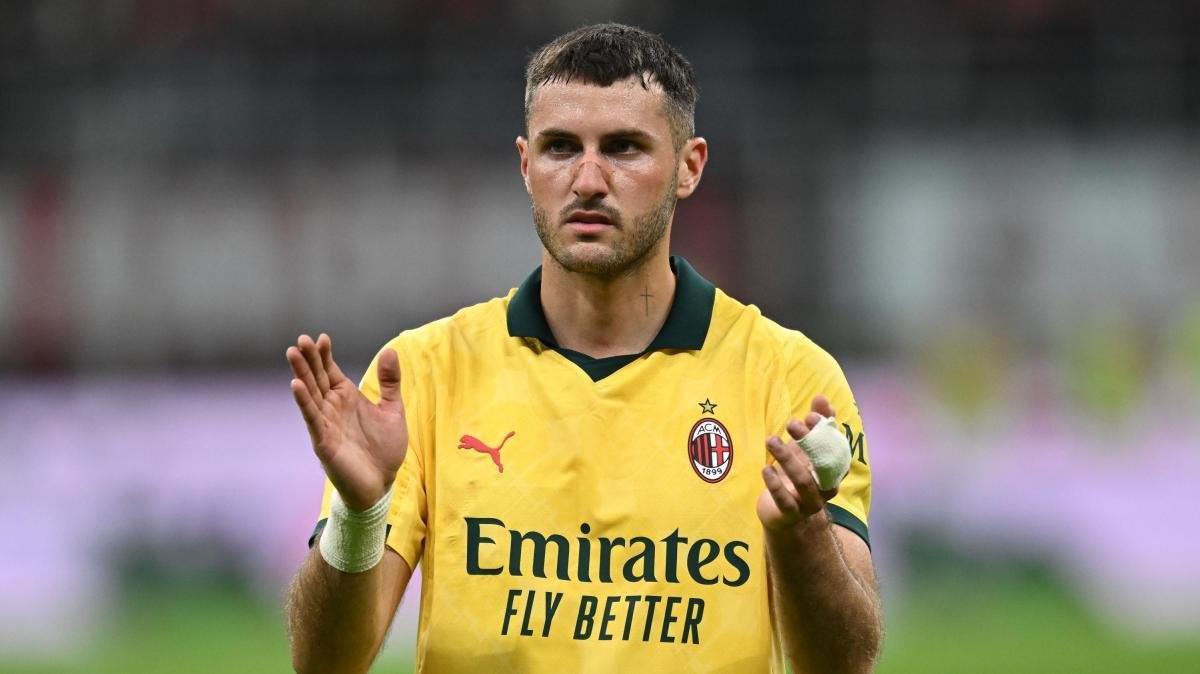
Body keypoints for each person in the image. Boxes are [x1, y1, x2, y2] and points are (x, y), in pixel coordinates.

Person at [284, 23, 881, 674]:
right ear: (526, 165)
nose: (588, 179)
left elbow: (844, 665)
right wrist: (359, 514)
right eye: (561, 148)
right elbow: (324, 664)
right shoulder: (421, 374)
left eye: (623, 148)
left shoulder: (789, 378)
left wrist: (801, 534)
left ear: (689, 166)